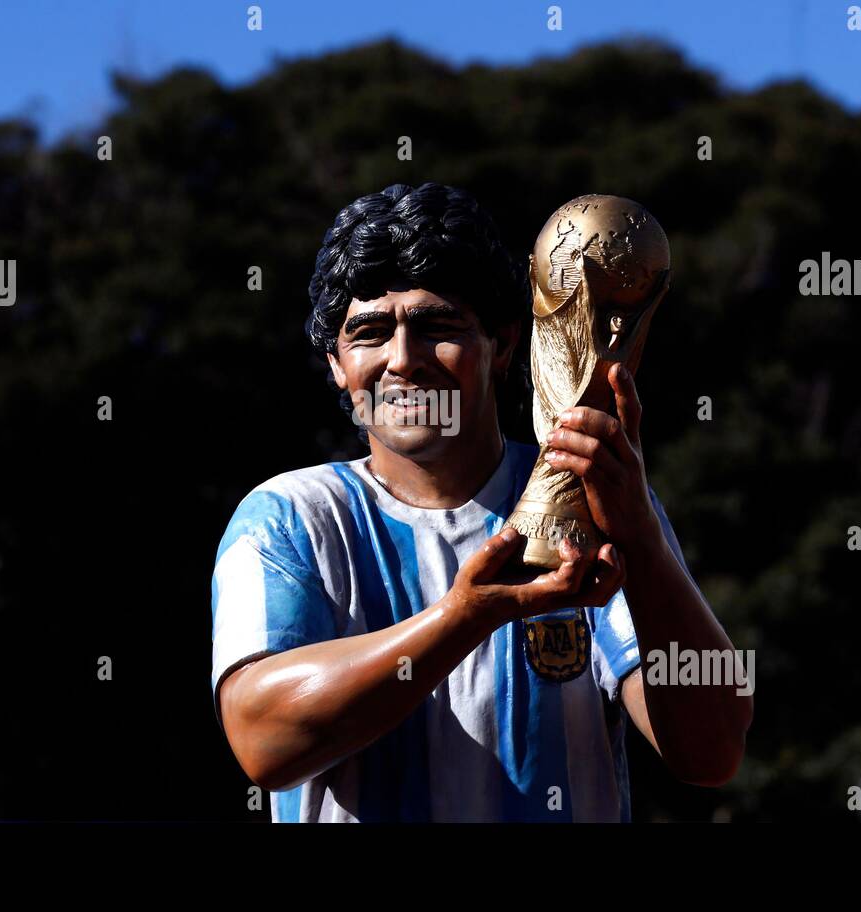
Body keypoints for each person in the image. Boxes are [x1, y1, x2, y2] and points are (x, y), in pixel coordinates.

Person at [210, 181, 752, 822]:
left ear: (504, 345)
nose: (403, 361)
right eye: (369, 334)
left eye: (438, 326)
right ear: (335, 362)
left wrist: (641, 536)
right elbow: (264, 739)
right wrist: (465, 617)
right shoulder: (291, 517)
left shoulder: (587, 502)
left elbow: (710, 752)